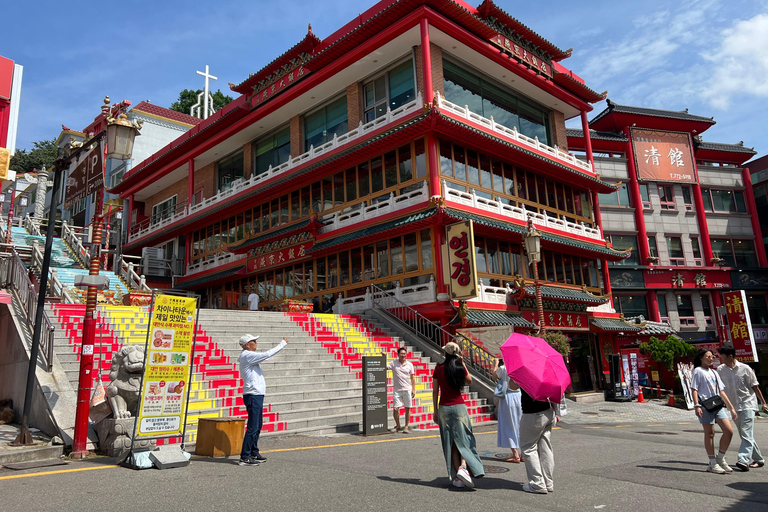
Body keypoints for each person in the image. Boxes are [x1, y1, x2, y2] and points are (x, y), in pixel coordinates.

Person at [432, 342, 485, 489]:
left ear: (445, 353)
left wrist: (435, 410)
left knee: (451, 442)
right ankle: (463, 467)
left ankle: (458, 478)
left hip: (444, 407)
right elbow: (469, 380)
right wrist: (463, 363)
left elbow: (435, 391)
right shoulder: (459, 367)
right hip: (459, 407)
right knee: (465, 439)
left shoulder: (438, 368)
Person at [237, 334, 288, 466]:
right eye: (254, 341)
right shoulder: (247, 355)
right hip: (253, 394)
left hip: (256, 394)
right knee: (253, 426)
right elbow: (267, 354)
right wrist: (282, 343)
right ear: (248, 344)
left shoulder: (248, 356)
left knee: (257, 425)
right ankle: (245, 456)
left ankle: (254, 452)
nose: (256, 343)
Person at [717, 344, 768, 471]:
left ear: (730, 356)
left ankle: (743, 460)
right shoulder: (720, 370)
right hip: (733, 407)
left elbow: (755, 386)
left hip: (748, 404)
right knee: (745, 434)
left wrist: (764, 402)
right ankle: (759, 459)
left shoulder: (745, 369)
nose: (720, 358)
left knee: (746, 433)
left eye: (722, 356)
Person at [690, 348, 738, 474]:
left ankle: (720, 458)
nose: (711, 359)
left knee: (729, 431)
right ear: (701, 357)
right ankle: (712, 463)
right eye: (708, 356)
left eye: (712, 357)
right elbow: (694, 389)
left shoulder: (714, 372)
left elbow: (721, 391)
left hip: (717, 405)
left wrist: (731, 408)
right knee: (710, 433)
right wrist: (696, 405)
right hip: (705, 406)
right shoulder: (697, 371)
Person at [519, 387, 556, 494]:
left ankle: (537, 483)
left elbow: (512, 386)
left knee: (528, 448)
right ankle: (548, 482)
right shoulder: (546, 370)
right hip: (548, 410)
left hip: (532, 412)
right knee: (545, 448)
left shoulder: (525, 371)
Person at [492, 358, 523, 463]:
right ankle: (523, 453)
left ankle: (515, 454)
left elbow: (493, 376)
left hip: (507, 398)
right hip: (519, 396)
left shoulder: (503, 368)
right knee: (520, 424)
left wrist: (495, 364)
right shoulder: (519, 369)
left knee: (508, 425)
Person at [387, 347, 416, 433]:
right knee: (395, 408)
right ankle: (398, 425)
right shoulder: (393, 363)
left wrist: (413, 389)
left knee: (407, 408)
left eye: (404, 354)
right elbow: (385, 367)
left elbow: (412, 377)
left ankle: (406, 426)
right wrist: (383, 357)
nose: (403, 355)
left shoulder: (410, 364)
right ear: (398, 354)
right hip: (397, 390)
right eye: (401, 354)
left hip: (407, 389)